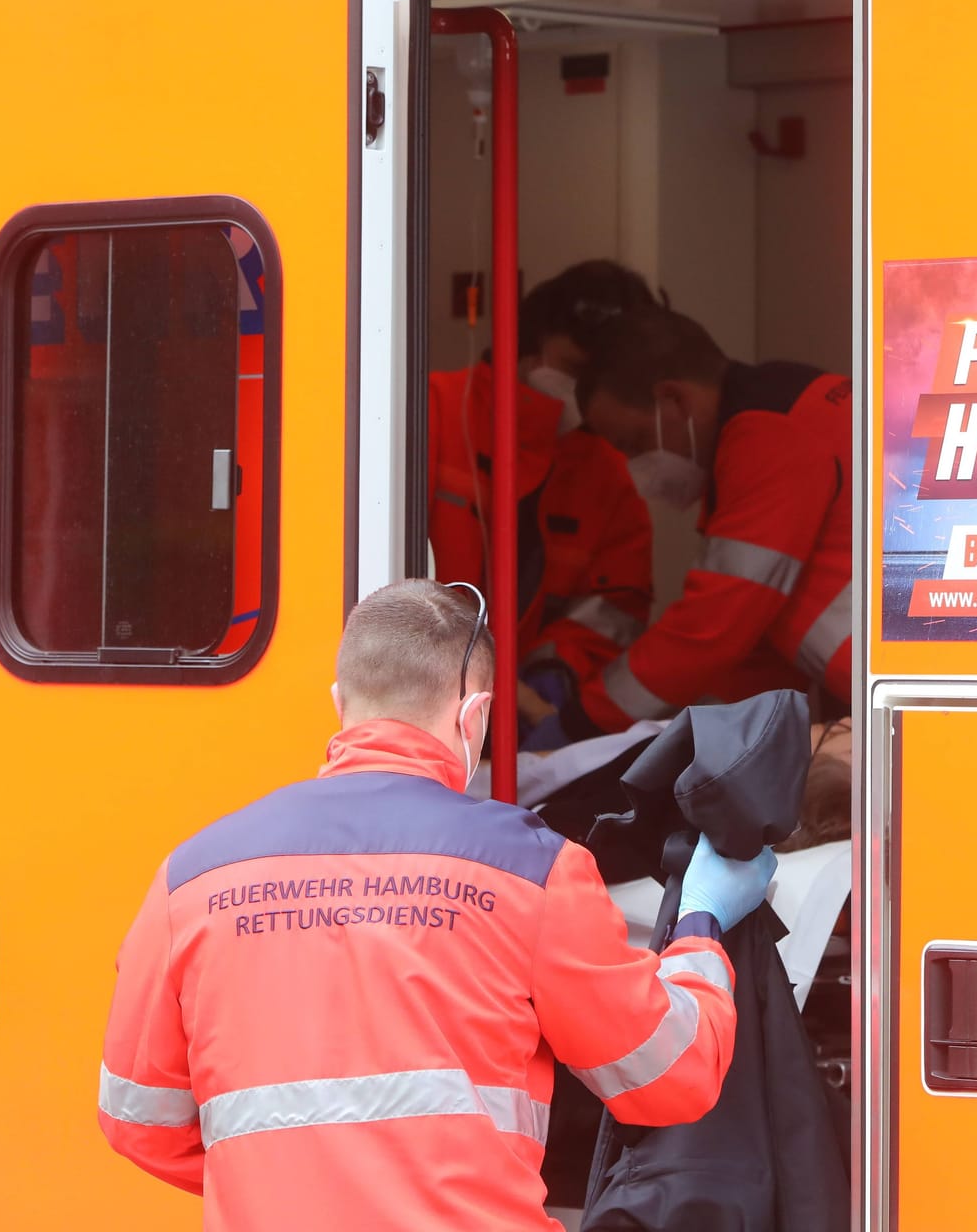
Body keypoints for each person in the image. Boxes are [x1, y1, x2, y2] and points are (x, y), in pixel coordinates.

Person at [98, 579, 778, 1231]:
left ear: (340, 701)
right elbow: (669, 1077)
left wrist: (294, 1182)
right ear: (473, 714)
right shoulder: (533, 869)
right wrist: (700, 923)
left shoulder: (189, 878)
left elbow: (139, 1121)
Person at [551, 307, 854, 739]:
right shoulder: (790, 408)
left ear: (674, 399)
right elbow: (753, 650)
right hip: (909, 686)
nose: (635, 467)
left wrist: (583, 719)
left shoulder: (768, 436)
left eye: (634, 443)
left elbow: (714, 625)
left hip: (923, 692)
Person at [428, 262, 657, 733]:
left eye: (603, 375)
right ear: (527, 345)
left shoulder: (607, 474)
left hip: (524, 719)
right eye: (575, 370)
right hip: (410, 694)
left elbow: (613, 611)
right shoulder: (432, 408)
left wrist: (553, 675)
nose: (586, 390)